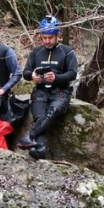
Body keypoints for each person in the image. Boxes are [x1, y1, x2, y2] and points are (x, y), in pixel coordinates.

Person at [17, 16, 78, 159]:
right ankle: (40, 147)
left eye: (50, 38)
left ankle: (30, 136)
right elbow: (25, 72)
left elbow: (72, 74)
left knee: (52, 111)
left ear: (57, 36)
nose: (47, 41)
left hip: (60, 92)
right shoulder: (36, 52)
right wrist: (32, 76)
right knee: (40, 116)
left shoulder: (67, 52)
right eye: (44, 38)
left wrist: (57, 78)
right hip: (41, 91)